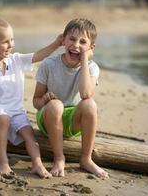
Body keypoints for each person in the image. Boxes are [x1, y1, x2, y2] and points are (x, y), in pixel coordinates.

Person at [0, 18, 62, 179]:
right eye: (5, 42)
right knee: (3, 119)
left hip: (16, 109)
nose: (11, 44)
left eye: (12, 39)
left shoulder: (16, 59)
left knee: (28, 133)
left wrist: (56, 44)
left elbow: (39, 55)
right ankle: (3, 162)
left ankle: (37, 164)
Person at [33, 18, 109, 179]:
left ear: (91, 48)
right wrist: (45, 100)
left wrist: (84, 60)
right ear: (63, 40)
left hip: (72, 122)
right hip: (49, 116)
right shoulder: (49, 64)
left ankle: (86, 159)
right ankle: (59, 158)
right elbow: (35, 101)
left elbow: (86, 94)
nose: (76, 45)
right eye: (72, 39)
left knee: (90, 105)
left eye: (83, 42)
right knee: (56, 106)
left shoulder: (92, 67)